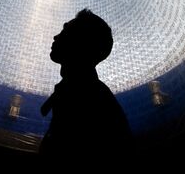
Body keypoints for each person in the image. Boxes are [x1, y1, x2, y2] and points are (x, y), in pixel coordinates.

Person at [39, 9, 133, 158]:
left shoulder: (87, 98)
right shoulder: (94, 94)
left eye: (65, 31)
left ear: (80, 43)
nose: (56, 36)